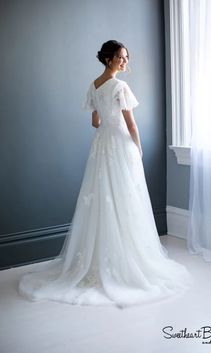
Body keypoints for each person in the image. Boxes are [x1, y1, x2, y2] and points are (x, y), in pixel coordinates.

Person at [18, 40, 193, 308]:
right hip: (120, 145)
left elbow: (95, 122)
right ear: (110, 58)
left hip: (101, 146)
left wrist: (107, 127)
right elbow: (131, 124)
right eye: (121, 58)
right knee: (124, 197)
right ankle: (125, 259)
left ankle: (97, 259)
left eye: (126, 58)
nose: (125, 62)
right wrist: (139, 149)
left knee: (102, 197)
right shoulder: (120, 86)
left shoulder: (95, 85)